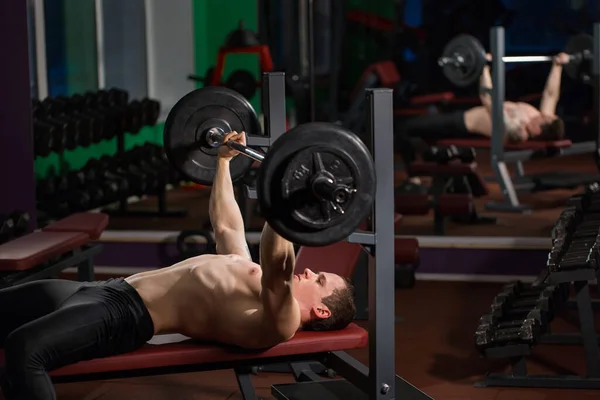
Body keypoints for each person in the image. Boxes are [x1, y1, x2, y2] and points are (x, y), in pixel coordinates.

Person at [0, 131, 356, 400]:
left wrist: (287, 193)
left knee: (25, 350)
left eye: (320, 279)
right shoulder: (251, 274)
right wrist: (223, 161)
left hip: (126, 314)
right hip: (101, 290)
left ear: (322, 311)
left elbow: (278, 262)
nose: (310, 271)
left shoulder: (282, 319)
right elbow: (227, 226)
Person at [395, 52, 570, 170]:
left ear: (538, 130)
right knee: (416, 126)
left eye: (544, 119)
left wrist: (484, 68)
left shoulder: (517, 130)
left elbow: (488, 99)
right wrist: (558, 66)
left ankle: (413, 176)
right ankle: (425, 161)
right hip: (462, 112)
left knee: (403, 127)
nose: (544, 114)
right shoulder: (541, 118)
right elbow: (550, 94)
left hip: (460, 125)